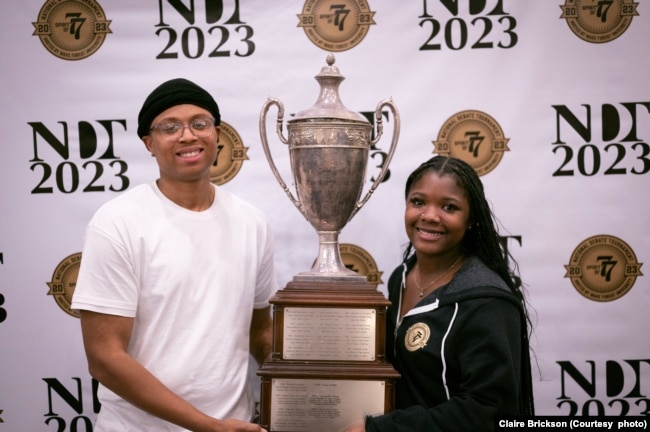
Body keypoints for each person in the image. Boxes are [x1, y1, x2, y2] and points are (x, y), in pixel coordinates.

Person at [71, 78, 277, 432]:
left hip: (233, 425)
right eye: (170, 127)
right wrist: (207, 426)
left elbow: (259, 333)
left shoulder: (252, 221)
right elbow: (105, 357)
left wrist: (317, 382)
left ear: (217, 133)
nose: (188, 136)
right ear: (148, 143)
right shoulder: (118, 221)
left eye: (200, 123)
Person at [346, 155, 535, 432]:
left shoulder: (486, 302)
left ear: (471, 219)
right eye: (418, 202)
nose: (430, 216)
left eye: (449, 207)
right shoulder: (401, 277)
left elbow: (487, 411)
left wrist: (379, 430)